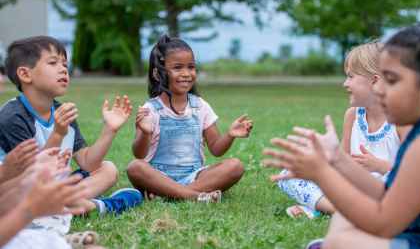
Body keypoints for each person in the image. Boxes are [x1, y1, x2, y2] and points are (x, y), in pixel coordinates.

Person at [264, 18, 420, 249]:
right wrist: (336, 157)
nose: (377, 89)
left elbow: (383, 223)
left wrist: (322, 174)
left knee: (340, 239)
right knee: (343, 218)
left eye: (391, 80)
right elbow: (387, 193)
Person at [0, 36, 142, 236]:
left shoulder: (61, 111)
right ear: (25, 74)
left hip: (55, 188)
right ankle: (99, 207)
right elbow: (34, 175)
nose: (63, 69)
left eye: (65, 64)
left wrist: (110, 129)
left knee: (108, 169)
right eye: (53, 63)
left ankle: (68, 205)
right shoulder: (12, 117)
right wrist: (58, 133)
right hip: (19, 191)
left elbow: (88, 163)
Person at [277, 42, 408, 219]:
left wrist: (380, 166)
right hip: (353, 187)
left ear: (375, 81)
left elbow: (412, 176)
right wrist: (320, 162)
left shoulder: (400, 121)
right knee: (288, 174)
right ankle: (340, 209)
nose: (345, 83)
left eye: (351, 77)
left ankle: (328, 207)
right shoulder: (353, 116)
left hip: (384, 188)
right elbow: (342, 161)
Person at [127, 35, 252, 202]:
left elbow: (216, 149)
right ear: (158, 74)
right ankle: (195, 196)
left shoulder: (200, 106)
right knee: (135, 167)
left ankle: (173, 195)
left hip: (194, 176)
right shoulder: (150, 109)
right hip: (158, 177)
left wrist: (230, 135)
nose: (186, 74)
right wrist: (144, 133)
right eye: (178, 68)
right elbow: (139, 154)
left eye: (191, 67)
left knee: (235, 166)